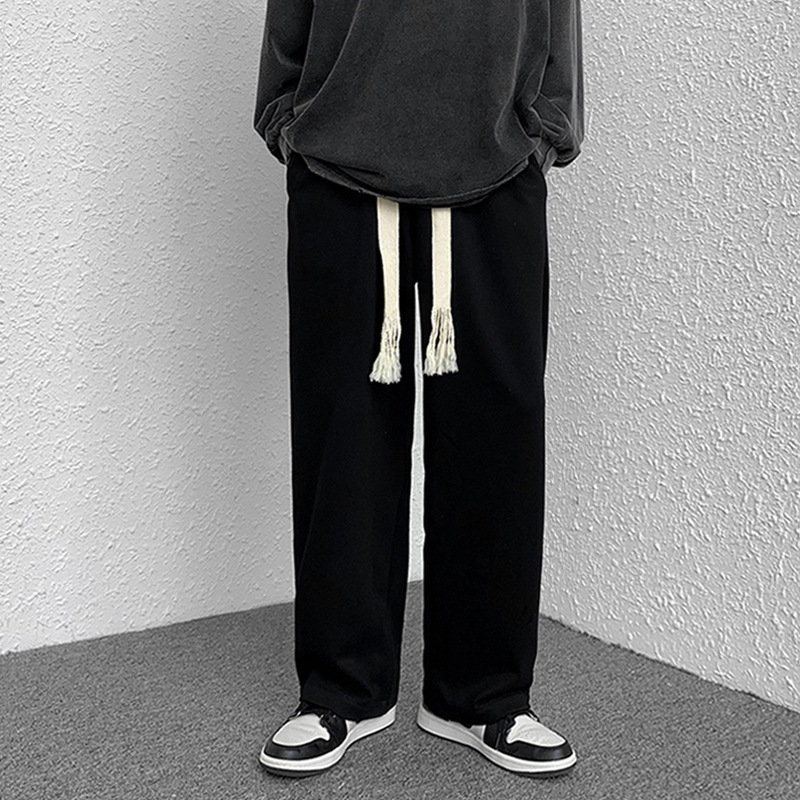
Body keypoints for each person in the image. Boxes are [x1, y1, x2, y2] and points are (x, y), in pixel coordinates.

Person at [253, 0, 584, 779]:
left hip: (497, 161)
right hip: (339, 164)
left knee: (496, 436)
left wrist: (549, 127)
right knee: (343, 435)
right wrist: (286, 119)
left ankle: (485, 694)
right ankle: (340, 688)